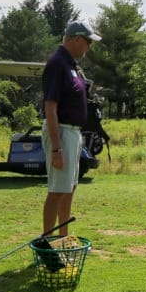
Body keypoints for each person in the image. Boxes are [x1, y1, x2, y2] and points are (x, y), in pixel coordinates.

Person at [41, 21, 100, 238]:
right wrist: (57, 148)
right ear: (76, 39)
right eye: (88, 42)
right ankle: (48, 242)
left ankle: (63, 238)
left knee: (69, 188)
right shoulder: (57, 64)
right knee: (57, 190)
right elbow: (50, 108)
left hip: (73, 133)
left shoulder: (71, 66)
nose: (89, 47)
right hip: (62, 132)